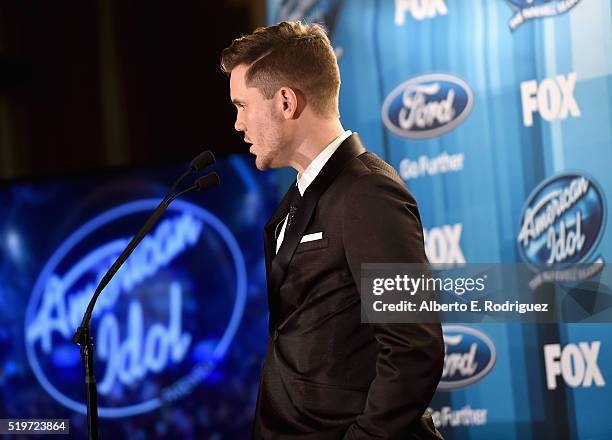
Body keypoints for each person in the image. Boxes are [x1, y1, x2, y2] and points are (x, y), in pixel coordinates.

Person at [221, 21, 444, 439]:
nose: (237, 124)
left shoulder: (368, 193)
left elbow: (414, 349)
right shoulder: (298, 199)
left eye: (242, 105)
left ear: (285, 101)